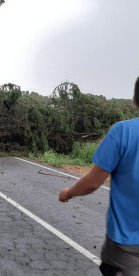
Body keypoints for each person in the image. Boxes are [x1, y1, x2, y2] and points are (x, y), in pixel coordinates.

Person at [59, 77, 139, 276]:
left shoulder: (123, 131)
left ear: (135, 100)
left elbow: (93, 182)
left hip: (126, 243)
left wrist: (69, 192)